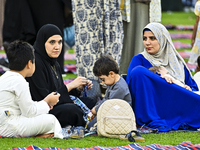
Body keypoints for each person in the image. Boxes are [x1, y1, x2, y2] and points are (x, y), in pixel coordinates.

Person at [126, 22, 200, 132]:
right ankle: (149, 117)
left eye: (152, 38)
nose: (147, 43)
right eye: (144, 39)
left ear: (162, 39)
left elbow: (193, 89)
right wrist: (160, 79)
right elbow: (131, 86)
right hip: (151, 107)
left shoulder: (177, 63)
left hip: (173, 104)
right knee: (138, 72)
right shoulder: (139, 60)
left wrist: (186, 88)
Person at [26, 24, 96, 128]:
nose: (57, 46)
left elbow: (59, 90)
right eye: (52, 42)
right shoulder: (36, 64)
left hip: (57, 104)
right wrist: (71, 85)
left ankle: (88, 119)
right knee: (73, 111)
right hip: (42, 111)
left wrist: (78, 88)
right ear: (42, 42)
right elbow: (43, 98)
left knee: (91, 101)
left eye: (60, 42)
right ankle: (88, 122)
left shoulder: (54, 63)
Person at [0, 40, 63, 138]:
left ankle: (40, 135)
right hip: (10, 126)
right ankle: (45, 135)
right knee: (52, 120)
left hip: (5, 123)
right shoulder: (19, 81)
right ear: (29, 64)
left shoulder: (5, 77)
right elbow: (29, 112)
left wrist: (45, 103)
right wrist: (47, 102)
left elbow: (26, 107)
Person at [87, 55, 132, 129]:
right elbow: (106, 99)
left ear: (111, 74)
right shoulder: (113, 83)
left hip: (119, 117)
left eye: (103, 79)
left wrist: (95, 110)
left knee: (90, 126)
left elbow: (108, 104)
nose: (103, 82)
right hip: (112, 113)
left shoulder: (119, 87)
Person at [188, 0, 200, 64]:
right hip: (199, 37)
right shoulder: (198, 4)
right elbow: (196, 22)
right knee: (198, 62)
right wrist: (193, 38)